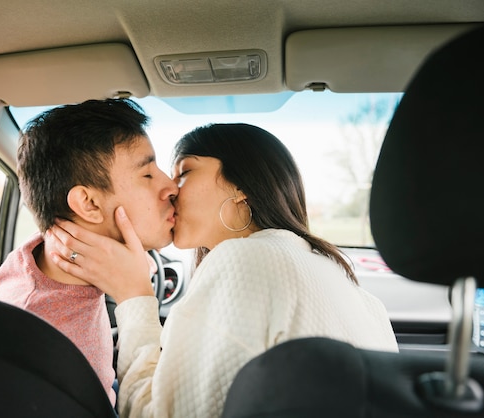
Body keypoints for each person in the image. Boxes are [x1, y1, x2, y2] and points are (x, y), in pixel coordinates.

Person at [46, 123, 399, 417]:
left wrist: (134, 295)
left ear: (241, 185)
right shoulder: (344, 282)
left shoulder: (244, 261)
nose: (169, 189)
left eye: (184, 171)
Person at [0, 98, 178, 407]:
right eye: (147, 175)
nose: (171, 187)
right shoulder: (46, 342)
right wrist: (135, 292)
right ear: (88, 204)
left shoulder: (40, 253)